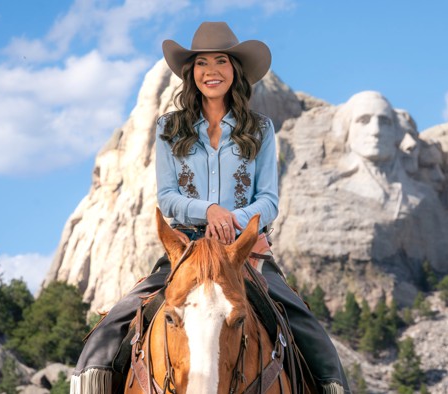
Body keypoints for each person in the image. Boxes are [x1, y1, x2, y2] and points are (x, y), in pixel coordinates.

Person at [71, 21, 348, 394]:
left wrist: (233, 220)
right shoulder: (170, 128)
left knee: (313, 337)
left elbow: (268, 201)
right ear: (192, 72)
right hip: (186, 251)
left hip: (245, 253)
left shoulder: (261, 129)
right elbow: (168, 197)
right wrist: (209, 211)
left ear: (235, 70)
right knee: (109, 331)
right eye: (202, 63)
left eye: (221, 61)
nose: (211, 71)